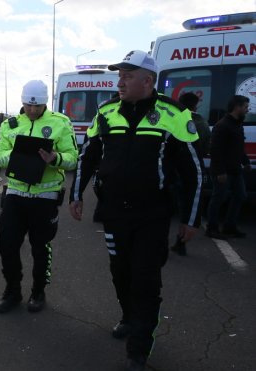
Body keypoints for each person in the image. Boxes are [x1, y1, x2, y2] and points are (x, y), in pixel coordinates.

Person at [68, 50, 202, 371]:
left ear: (148, 80)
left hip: (152, 214)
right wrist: (77, 195)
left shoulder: (173, 114)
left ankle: (138, 348)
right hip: (113, 212)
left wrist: (191, 218)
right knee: (120, 271)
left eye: (128, 76)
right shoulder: (106, 112)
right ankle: (129, 317)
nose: (120, 81)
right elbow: (88, 156)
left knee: (145, 278)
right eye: (120, 75)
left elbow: (193, 171)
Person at [0, 79, 78, 314]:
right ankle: (12, 290)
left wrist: (55, 158)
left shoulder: (61, 123)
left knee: (40, 247)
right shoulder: (9, 125)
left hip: (45, 197)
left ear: (45, 103)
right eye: (28, 106)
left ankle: (38, 291)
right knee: (6, 244)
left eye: (37, 106)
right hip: (16, 194)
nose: (31, 111)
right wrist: (18, 153)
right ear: (22, 102)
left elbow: (72, 158)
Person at [170, 92, 211, 255]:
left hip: (173, 171)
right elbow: (206, 148)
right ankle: (180, 241)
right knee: (187, 208)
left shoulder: (173, 119)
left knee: (168, 208)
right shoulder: (201, 123)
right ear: (196, 105)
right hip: (192, 170)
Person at [205, 95, 251, 239]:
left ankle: (229, 226)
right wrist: (220, 171)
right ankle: (211, 228)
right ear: (237, 107)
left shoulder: (237, 124)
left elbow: (239, 147)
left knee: (240, 195)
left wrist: (246, 162)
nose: (247, 109)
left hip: (235, 169)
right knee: (219, 198)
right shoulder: (222, 125)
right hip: (223, 170)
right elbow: (215, 150)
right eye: (245, 106)